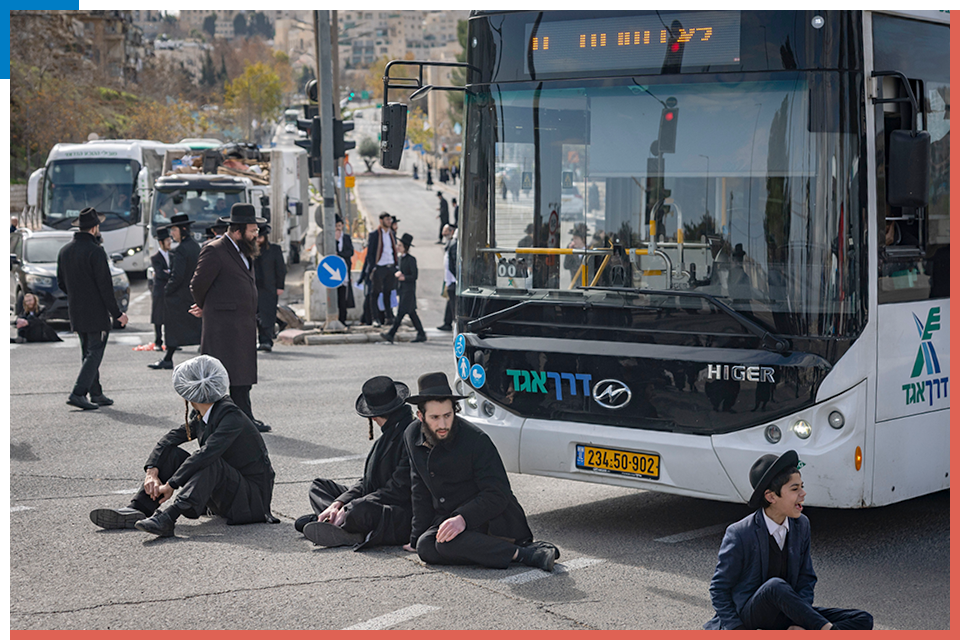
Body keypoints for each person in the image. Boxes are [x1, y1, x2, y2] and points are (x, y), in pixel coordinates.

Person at [89, 355, 279, 537]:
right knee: (172, 454)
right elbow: (169, 439)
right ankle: (138, 509)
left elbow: (206, 454)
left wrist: (172, 484)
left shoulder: (231, 417)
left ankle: (168, 518)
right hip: (227, 493)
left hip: (251, 503)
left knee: (209, 461)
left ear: (188, 393)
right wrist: (152, 472)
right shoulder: (206, 413)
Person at [402, 372, 559, 571]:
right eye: (434, 417)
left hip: (493, 518)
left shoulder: (476, 440)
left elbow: (498, 494)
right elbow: (419, 488)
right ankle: (494, 551)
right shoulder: (411, 435)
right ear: (420, 416)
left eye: (447, 416)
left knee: (445, 544)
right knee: (425, 547)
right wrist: (416, 536)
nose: (442, 425)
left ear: (455, 412)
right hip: (451, 518)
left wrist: (463, 518)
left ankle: (526, 553)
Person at [705, 450, 874, 630]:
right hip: (750, 618)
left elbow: (806, 579)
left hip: (786, 615)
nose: (803, 493)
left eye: (802, 486)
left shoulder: (801, 525)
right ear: (771, 497)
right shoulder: (740, 533)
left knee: (862, 619)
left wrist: (798, 622)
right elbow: (719, 590)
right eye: (795, 489)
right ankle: (827, 631)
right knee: (775, 586)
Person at [296, 376, 416, 548]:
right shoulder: (391, 430)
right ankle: (337, 523)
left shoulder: (408, 434)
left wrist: (350, 507)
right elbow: (367, 481)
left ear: (373, 417)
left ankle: (345, 528)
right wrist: (339, 503)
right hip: (372, 497)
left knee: (359, 510)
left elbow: (397, 490)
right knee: (319, 486)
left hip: (395, 509)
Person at [190, 203, 271, 433]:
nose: (257, 234)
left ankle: (246, 418)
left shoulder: (244, 250)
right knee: (221, 377)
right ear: (238, 230)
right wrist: (206, 305)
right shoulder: (215, 249)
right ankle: (208, 422)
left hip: (243, 324)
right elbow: (197, 284)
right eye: (253, 230)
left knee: (242, 376)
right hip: (223, 326)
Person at [56, 207, 128, 410]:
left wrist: (76, 295)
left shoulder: (65, 251)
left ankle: (95, 392)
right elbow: (105, 287)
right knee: (95, 351)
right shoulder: (96, 252)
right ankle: (78, 392)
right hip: (95, 311)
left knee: (87, 350)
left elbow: (61, 283)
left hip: (76, 309)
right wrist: (118, 314)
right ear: (95, 227)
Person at [149, 213, 202, 370]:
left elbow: (176, 276)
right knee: (197, 325)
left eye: (174, 230)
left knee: (173, 327)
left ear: (183, 229)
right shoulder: (195, 246)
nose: (172, 234)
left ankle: (168, 358)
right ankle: (169, 357)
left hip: (179, 295)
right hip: (193, 293)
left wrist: (167, 290)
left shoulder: (181, 250)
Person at [380, 233, 426, 344]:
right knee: (411, 313)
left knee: (401, 313)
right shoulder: (400, 259)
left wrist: (404, 277)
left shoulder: (411, 259)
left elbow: (414, 276)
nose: (398, 247)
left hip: (409, 291)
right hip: (402, 289)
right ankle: (421, 333)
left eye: (400, 245)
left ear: (405, 247)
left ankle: (391, 334)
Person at [361, 212, 398, 326]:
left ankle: (389, 317)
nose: (389, 222)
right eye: (387, 220)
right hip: (379, 267)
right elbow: (370, 253)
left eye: (390, 220)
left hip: (390, 267)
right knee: (375, 294)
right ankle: (375, 318)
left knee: (388, 293)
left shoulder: (392, 234)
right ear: (381, 221)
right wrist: (373, 267)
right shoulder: (374, 235)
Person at [254, 224, 286, 352]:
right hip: (254, 288)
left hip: (269, 288)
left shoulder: (274, 249)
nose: (258, 240)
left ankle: (267, 341)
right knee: (256, 315)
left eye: (260, 237)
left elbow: (281, 269)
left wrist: (280, 286)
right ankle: (260, 339)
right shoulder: (249, 250)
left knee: (268, 315)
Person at [149, 228, 173, 352]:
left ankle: (171, 342)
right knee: (158, 317)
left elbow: (174, 272)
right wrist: (169, 273)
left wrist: (168, 272)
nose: (170, 243)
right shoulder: (155, 257)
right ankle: (158, 341)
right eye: (167, 240)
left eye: (170, 240)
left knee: (170, 317)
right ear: (161, 242)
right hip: (159, 290)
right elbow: (160, 274)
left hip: (170, 290)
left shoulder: (173, 255)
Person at [335, 214, 355, 325]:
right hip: (333, 270)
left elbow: (350, 252)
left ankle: (343, 319)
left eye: (339, 225)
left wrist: (340, 254)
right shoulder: (331, 238)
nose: (337, 228)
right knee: (335, 296)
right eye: (335, 226)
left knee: (344, 296)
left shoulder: (346, 238)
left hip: (345, 270)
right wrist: (336, 241)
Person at [437, 224, 457, 332]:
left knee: (453, 303)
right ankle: (447, 322)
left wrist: (455, 278)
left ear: (452, 232)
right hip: (449, 279)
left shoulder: (454, 244)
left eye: (445, 231)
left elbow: (452, 264)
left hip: (453, 280)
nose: (443, 234)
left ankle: (452, 323)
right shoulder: (449, 243)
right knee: (449, 301)